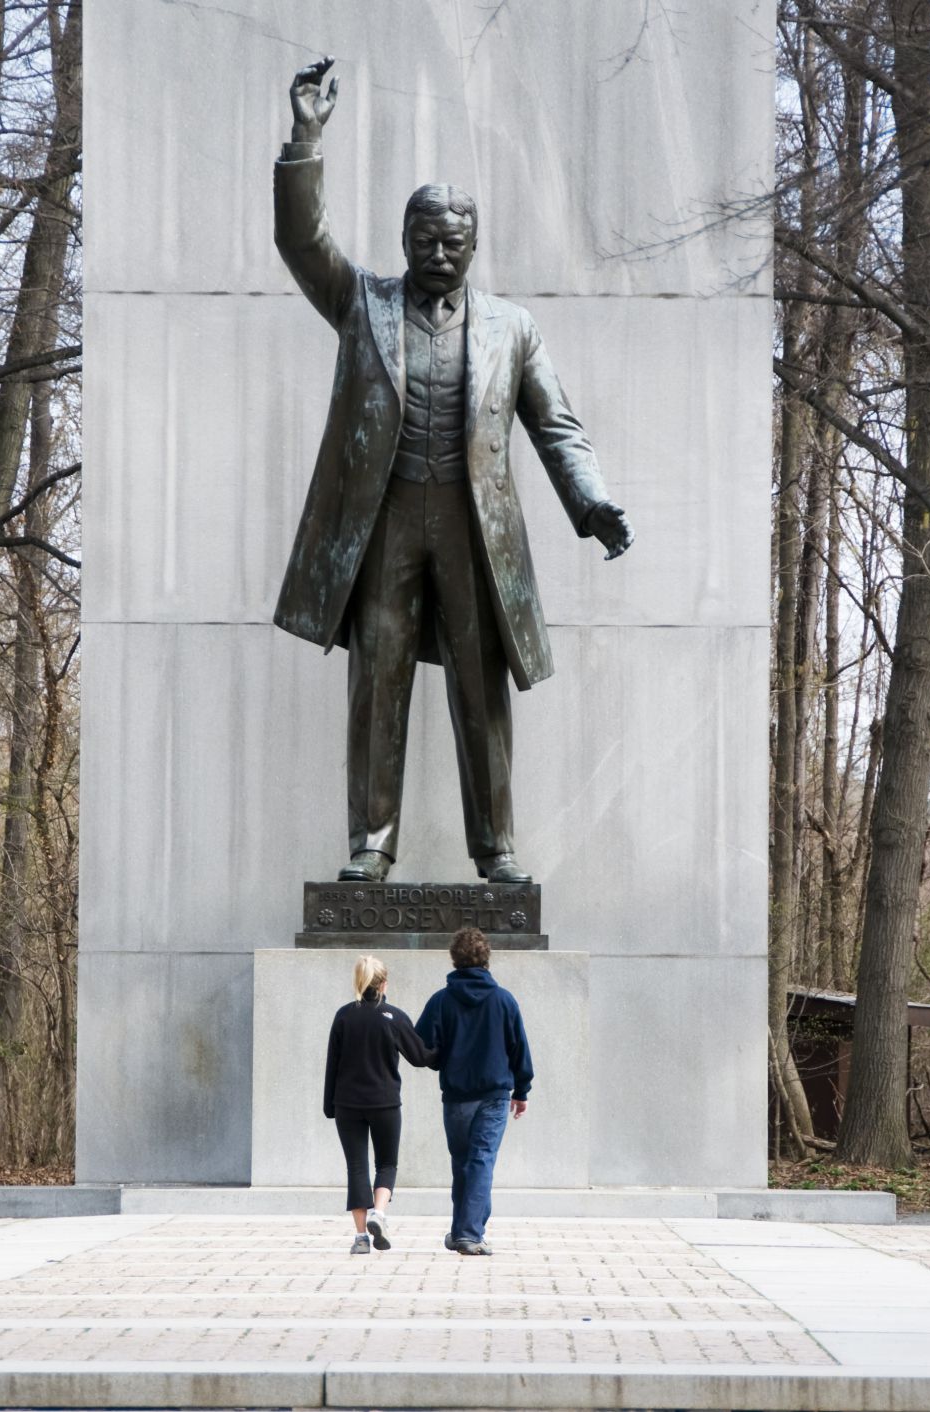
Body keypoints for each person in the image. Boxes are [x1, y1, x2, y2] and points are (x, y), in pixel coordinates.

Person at [270, 57, 635, 887]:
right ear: (404, 243)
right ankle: (372, 842)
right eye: (426, 239)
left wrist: (593, 501)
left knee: (482, 688)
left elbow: (557, 426)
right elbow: (301, 240)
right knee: (378, 682)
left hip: (476, 530)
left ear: (474, 247)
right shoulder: (363, 302)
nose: (440, 252)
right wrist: (306, 136)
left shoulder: (513, 328)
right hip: (385, 518)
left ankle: (497, 849)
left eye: (454, 241)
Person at [416, 927, 531, 1256]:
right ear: (486, 958)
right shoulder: (504, 1000)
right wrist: (522, 1090)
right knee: (481, 1162)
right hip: (494, 1095)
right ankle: (468, 1232)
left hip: (456, 1096)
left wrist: (442, 1063)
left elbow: (422, 1045)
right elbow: (519, 1048)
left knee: (464, 1163)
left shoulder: (441, 1000)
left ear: (454, 958)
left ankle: (461, 1231)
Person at [323, 954, 436, 1255]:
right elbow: (422, 1057)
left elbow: (332, 1064)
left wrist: (328, 1105)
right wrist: (448, 1047)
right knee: (386, 1163)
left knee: (356, 1166)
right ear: (384, 983)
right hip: (385, 1103)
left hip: (347, 1104)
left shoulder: (343, 1016)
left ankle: (361, 1237)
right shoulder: (394, 1017)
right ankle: (380, 1214)